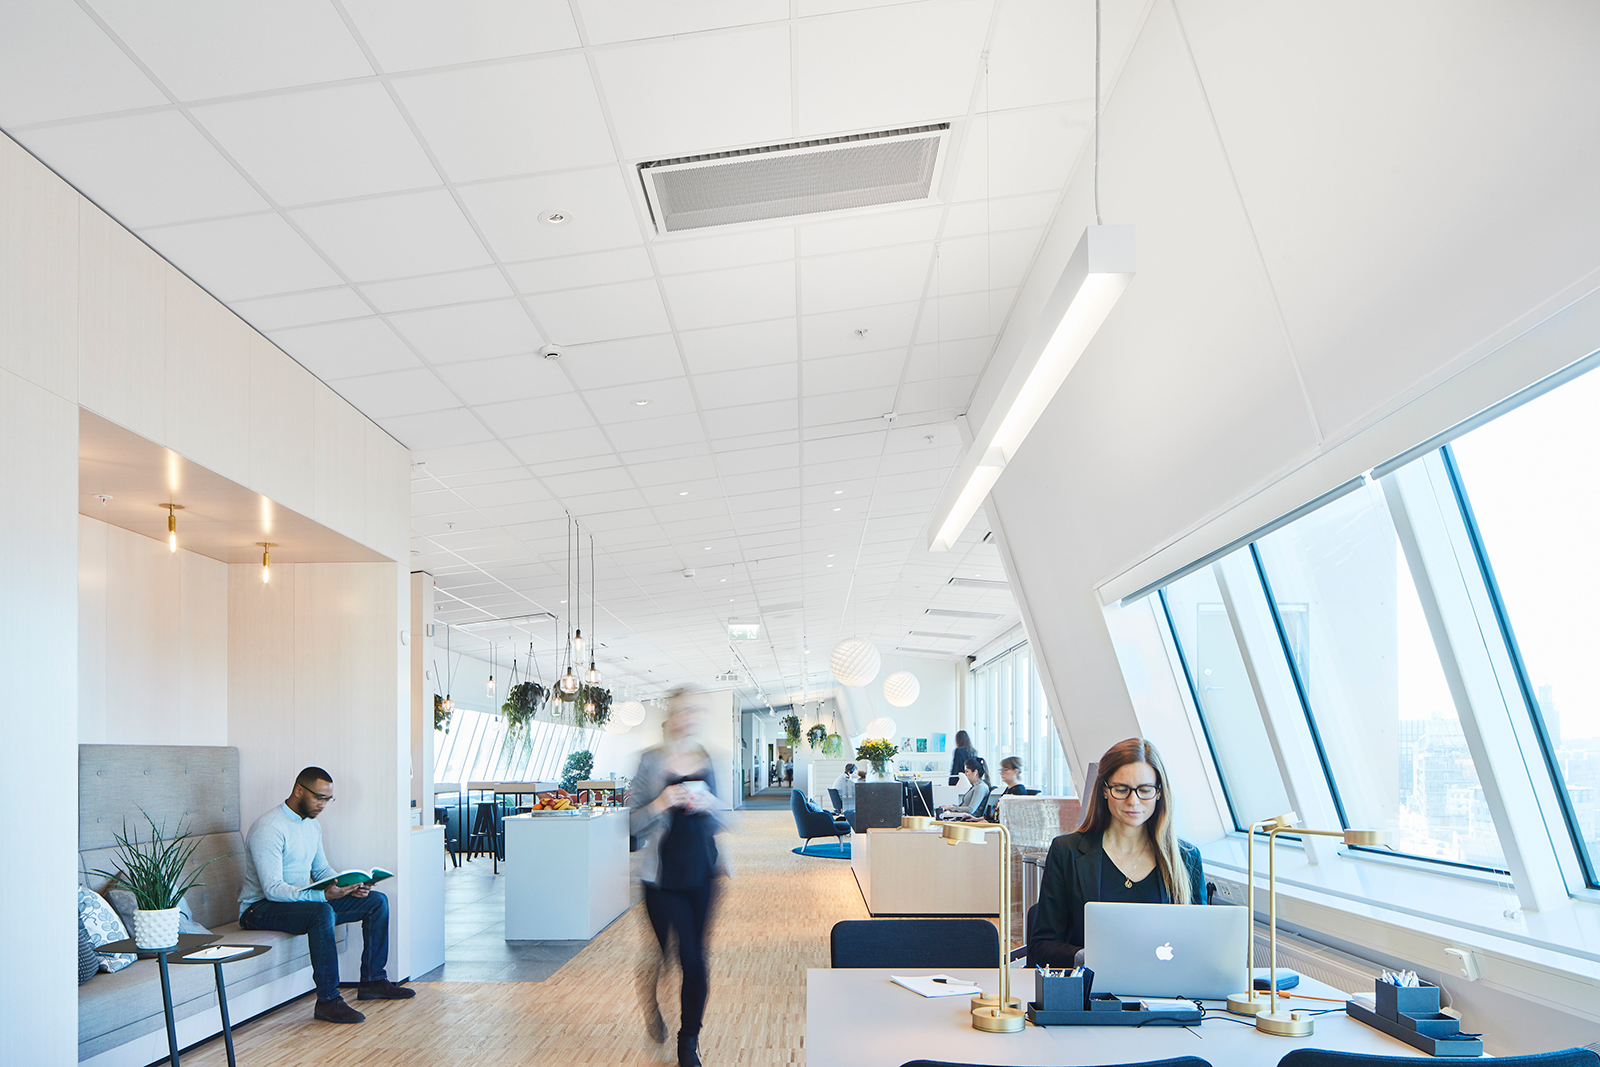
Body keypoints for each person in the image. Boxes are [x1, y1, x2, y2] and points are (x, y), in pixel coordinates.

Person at [238, 767, 414, 1024]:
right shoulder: (269, 828)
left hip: (294, 902)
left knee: (376, 902)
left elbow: (321, 870)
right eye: (319, 797)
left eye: (327, 799)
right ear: (299, 790)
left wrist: (349, 887)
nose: (323, 805)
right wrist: (324, 897)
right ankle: (328, 1000)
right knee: (322, 912)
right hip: (259, 909)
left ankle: (374, 981)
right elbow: (273, 890)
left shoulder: (311, 825)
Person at [1027, 738, 1204, 969]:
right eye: (1121, 789)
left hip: (1165, 995)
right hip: (1091, 994)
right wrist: (1084, 957)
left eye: (1145, 790)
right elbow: (1042, 946)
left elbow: (1201, 944)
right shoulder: (1067, 852)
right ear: (1104, 791)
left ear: (1159, 793)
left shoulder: (1185, 858)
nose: (1133, 801)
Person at [631, 687, 726, 1067]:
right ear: (669, 716)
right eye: (680, 710)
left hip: (703, 873)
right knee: (663, 953)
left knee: (694, 956)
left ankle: (689, 1042)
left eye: (693, 710)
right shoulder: (650, 761)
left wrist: (711, 804)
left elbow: (728, 817)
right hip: (662, 878)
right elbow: (632, 821)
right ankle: (649, 999)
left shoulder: (707, 759)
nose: (687, 716)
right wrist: (660, 803)